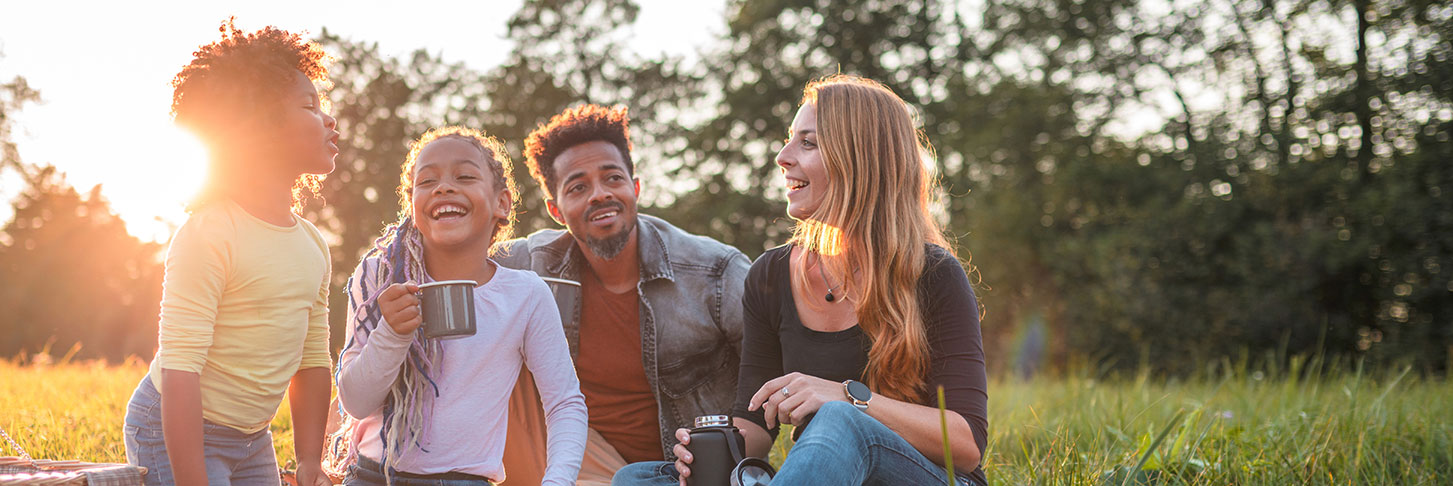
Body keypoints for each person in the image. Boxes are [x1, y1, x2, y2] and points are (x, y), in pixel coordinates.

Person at [613, 74, 989, 486]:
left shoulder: (933, 273)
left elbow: (966, 444)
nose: (783, 156)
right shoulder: (770, 275)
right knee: (640, 478)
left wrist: (848, 398)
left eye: (807, 143)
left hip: (929, 476)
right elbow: (755, 424)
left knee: (839, 421)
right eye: (790, 139)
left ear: (859, 159)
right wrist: (712, 449)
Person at [123, 19, 341, 486]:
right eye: (309, 106)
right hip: (173, 430)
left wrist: (308, 460)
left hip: (252, 438)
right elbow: (180, 369)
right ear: (260, 129)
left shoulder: (312, 245)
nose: (329, 119)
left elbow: (313, 357)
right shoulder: (210, 234)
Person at [497, 105, 751, 484]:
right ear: (555, 209)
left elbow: (777, 365)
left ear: (634, 187)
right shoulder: (532, 262)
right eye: (578, 187)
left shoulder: (714, 272)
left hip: (680, 471)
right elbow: (458, 258)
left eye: (612, 178)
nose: (599, 195)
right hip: (580, 459)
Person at [334, 127, 588, 486]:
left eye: (465, 176)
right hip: (372, 476)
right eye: (427, 181)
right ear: (412, 204)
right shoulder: (381, 275)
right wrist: (391, 333)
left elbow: (565, 404)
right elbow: (356, 403)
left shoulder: (524, 295)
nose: (443, 188)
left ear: (502, 203)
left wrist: (557, 481)